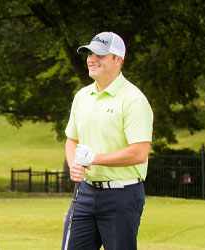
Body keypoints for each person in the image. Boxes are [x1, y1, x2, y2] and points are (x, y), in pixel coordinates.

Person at [62, 31, 154, 250]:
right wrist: (74, 163)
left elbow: (139, 152)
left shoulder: (134, 100)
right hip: (85, 193)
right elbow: (71, 139)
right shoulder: (82, 96)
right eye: (90, 53)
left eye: (100, 55)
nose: (92, 59)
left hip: (122, 196)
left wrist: (94, 159)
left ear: (118, 59)